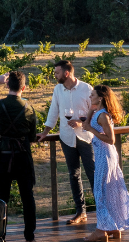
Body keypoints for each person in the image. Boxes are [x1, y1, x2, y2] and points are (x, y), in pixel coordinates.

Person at [0, 70, 39, 242]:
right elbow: (32, 136)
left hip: (3, 157)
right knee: (27, 197)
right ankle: (30, 237)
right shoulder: (29, 108)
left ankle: (0, 236)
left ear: (7, 85)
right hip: (23, 158)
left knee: (1, 197)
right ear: (24, 87)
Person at [80, 84, 129, 242]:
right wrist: (90, 111)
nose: (90, 97)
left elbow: (111, 139)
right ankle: (113, 228)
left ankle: (101, 231)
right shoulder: (98, 112)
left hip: (106, 156)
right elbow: (86, 125)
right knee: (108, 191)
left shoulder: (102, 116)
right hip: (103, 156)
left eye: (92, 95)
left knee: (100, 192)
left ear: (100, 98)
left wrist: (92, 130)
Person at [41, 59, 95, 226]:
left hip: (85, 137)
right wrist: (44, 133)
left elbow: (94, 112)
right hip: (66, 137)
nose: (54, 75)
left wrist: (82, 123)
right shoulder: (58, 89)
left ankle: (103, 211)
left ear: (66, 73)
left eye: (56, 72)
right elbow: (53, 111)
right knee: (74, 175)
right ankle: (81, 212)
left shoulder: (86, 88)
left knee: (93, 174)